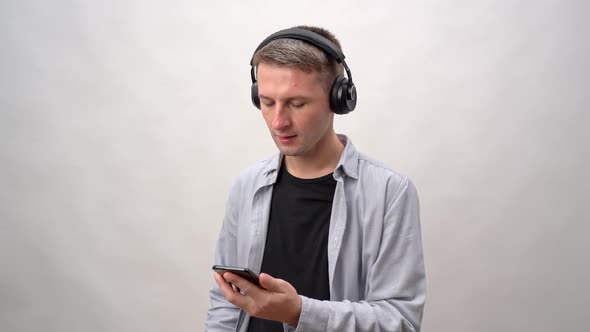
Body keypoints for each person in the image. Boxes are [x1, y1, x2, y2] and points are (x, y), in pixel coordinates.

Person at [206, 26, 426, 332]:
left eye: (297, 104)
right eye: (267, 103)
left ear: (338, 99)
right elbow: (225, 303)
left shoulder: (390, 192)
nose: (278, 121)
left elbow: (399, 321)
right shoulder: (247, 185)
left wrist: (300, 312)